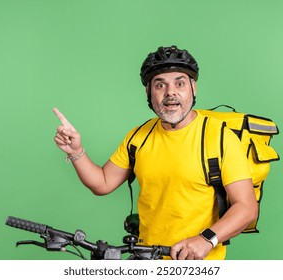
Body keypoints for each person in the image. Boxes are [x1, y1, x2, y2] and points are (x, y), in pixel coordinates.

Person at [53, 45, 258, 260]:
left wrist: (206, 239)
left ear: (193, 88)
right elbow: (102, 183)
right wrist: (76, 152)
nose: (171, 92)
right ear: (149, 92)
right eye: (160, 85)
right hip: (146, 260)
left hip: (199, 264)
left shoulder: (220, 137)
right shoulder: (138, 137)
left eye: (180, 83)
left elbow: (246, 207)